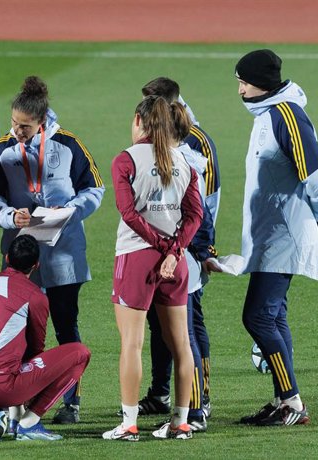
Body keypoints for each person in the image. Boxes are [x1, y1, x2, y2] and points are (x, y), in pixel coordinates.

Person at [0, 76, 104, 424]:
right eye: (14, 124)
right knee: (17, 328)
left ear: (41, 121)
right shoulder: (3, 149)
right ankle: (18, 398)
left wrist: (68, 213)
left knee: (66, 326)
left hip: (65, 252)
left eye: (24, 126)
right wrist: (9, 216)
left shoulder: (68, 144)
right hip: (21, 258)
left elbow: (94, 189)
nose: (16, 131)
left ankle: (71, 402)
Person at [234, 49, 318, 426]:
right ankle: (283, 399)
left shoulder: (287, 115)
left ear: (260, 82)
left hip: (285, 237)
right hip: (270, 237)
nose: (240, 89)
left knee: (258, 317)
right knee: (272, 316)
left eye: (243, 81)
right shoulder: (266, 115)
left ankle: (292, 402)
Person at [102, 96, 203, 441]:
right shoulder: (184, 162)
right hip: (175, 264)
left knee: (132, 342)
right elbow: (195, 216)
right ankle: (181, 421)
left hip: (136, 257)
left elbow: (128, 214)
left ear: (138, 121)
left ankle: (129, 423)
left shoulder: (125, 160)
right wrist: (174, 251)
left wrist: (161, 247)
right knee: (181, 344)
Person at [136, 77, 221, 431]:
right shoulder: (169, 143)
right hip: (169, 249)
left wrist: (203, 249)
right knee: (168, 326)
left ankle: (198, 406)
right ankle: (166, 394)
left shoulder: (189, 148)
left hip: (183, 251)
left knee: (185, 328)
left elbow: (203, 205)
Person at [0, 235, 91, 441]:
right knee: (80, 353)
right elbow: (36, 349)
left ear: (7, 258)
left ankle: (12, 419)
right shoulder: (35, 296)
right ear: (36, 265)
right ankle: (29, 422)